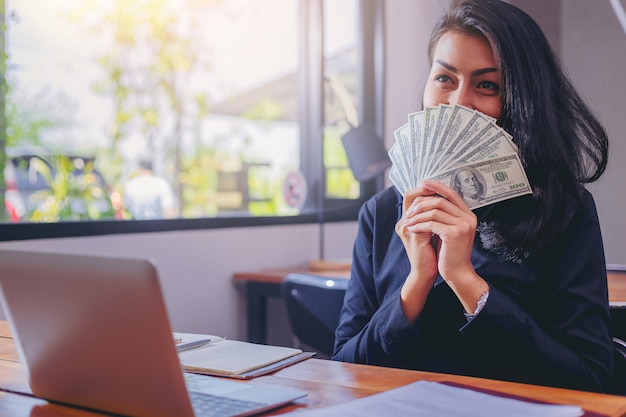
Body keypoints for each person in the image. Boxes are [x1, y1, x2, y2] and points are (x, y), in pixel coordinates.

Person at [332, 0, 612, 393]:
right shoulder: (381, 214)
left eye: (486, 85)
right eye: (444, 79)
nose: (458, 101)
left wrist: (466, 281)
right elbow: (343, 368)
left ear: (520, 101)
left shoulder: (563, 210)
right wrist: (417, 283)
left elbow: (591, 379)